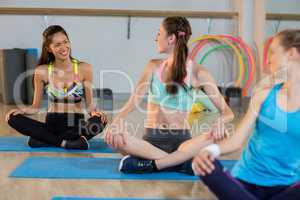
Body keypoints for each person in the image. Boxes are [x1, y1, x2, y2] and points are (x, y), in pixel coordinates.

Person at [104, 16, 234, 174]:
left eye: (159, 33)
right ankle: (180, 163)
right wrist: (118, 120)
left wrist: (220, 122)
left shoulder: (199, 73)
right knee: (114, 138)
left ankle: (152, 163)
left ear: (171, 38)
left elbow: (228, 112)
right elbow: (135, 99)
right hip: (151, 143)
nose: (156, 38)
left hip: (182, 143)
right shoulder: (153, 66)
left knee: (223, 135)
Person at [192, 29, 300, 199]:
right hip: (247, 183)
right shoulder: (263, 96)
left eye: (272, 52)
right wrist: (210, 150)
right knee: (205, 166)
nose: (267, 59)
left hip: (287, 189)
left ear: (291, 54)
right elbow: (236, 141)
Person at [5, 25, 107, 150]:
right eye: (57, 44)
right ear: (49, 48)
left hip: (76, 125)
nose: (63, 47)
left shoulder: (85, 68)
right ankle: (68, 142)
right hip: (52, 125)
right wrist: (22, 111)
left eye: (65, 42)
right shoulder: (42, 71)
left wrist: (95, 113)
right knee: (12, 119)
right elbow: (35, 108)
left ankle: (45, 139)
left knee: (101, 121)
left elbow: (90, 105)